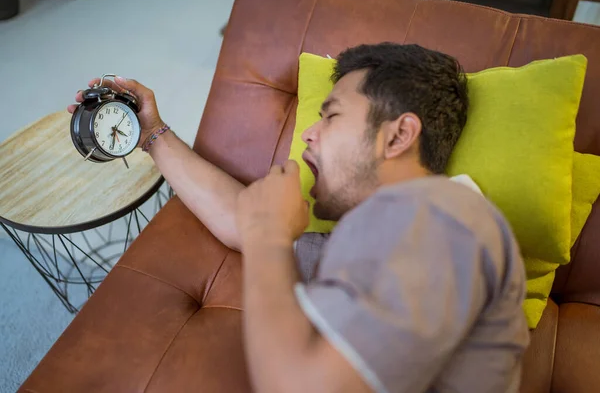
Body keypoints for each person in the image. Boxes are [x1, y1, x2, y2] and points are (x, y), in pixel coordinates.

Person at [68, 43, 529, 393]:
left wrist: (269, 235)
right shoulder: (381, 234)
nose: (307, 133)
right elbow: (238, 219)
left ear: (399, 136)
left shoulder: (448, 219)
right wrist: (150, 133)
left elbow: (300, 386)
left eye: (330, 116)